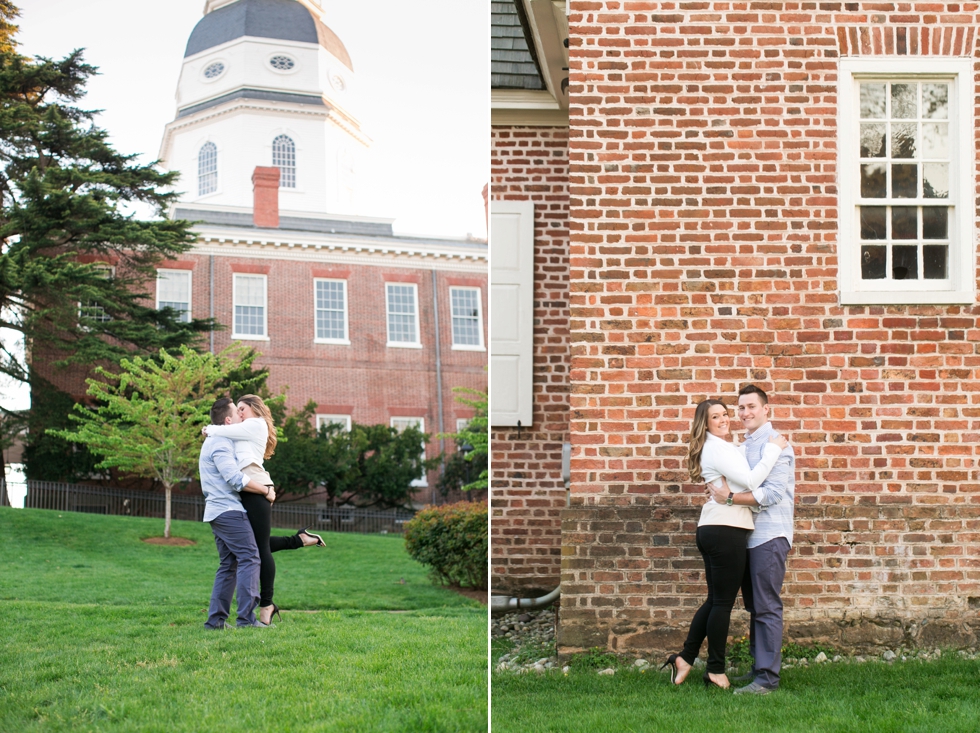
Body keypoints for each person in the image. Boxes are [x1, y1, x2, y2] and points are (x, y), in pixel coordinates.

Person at [662, 397, 788, 689]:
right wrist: (773, 448)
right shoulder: (717, 448)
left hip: (715, 527)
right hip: (725, 529)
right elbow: (753, 480)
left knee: (715, 600)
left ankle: (685, 658)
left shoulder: (720, 447)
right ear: (705, 423)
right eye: (716, 417)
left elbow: (738, 465)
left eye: (725, 414)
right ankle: (716, 669)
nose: (724, 420)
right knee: (722, 603)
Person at [203, 394, 323, 626]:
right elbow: (225, 433)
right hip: (246, 492)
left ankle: (265, 605)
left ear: (253, 409)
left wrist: (209, 429)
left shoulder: (255, 424)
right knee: (256, 548)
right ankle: (300, 540)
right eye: (236, 410)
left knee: (255, 552)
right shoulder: (231, 433)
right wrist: (213, 430)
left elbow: (222, 431)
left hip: (255, 486)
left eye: (242, 409)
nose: (239, 414)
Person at [708, 384, 795, 695]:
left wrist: (730, 498)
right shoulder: (744, 447)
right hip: (748, 536)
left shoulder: (777, 444)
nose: (745, 413)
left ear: (765, 409)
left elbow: (771, 494)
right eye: (741, 408)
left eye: (751, 407)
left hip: (770, 536)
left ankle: (767, 680)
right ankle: (759, 669)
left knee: (767, 607)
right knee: (756, 607)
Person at [201, 396, 278, 629]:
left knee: (229, 564)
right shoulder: (221, 443)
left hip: (218, 510)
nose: (241, 416)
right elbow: (236, 479)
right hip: (228, 510)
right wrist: (266, 490)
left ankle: (215, 622)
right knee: (250, 557)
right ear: (228, 420)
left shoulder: (219, 440)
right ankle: (246, 619)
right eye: (238, 412)